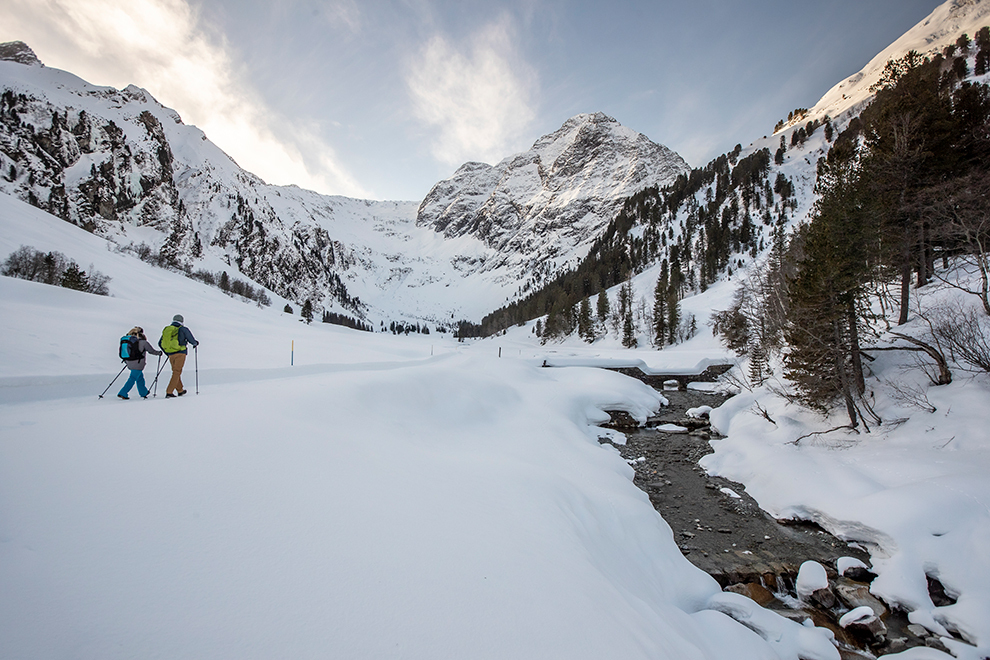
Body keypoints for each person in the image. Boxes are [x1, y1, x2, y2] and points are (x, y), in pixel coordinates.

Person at [159, 314, 199, 398]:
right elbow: (190, 338)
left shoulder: (168, 330)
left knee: (175, 371)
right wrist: (195, 343)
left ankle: (180, 390)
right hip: (180, 352)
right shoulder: (183, 329)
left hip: (170, 354)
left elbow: (160, 343)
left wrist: (167, 353)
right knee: (177, 372)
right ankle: (169, 391)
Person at [118, 327, 162, 400]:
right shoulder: (143, 342)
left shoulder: (128, 341)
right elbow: (151, 351)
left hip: (129, 362)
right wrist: (159, 353)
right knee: (132, 378)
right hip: (138, 363)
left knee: (140, 378)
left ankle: (143, 392)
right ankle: (123, 392)